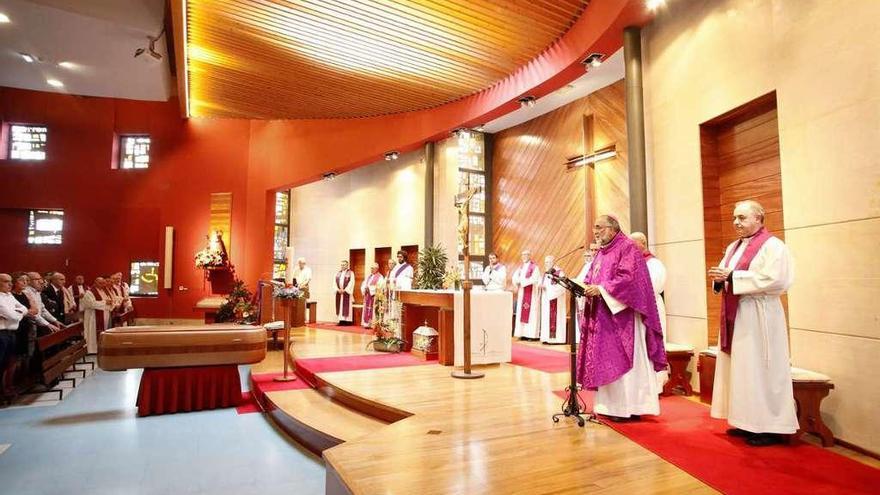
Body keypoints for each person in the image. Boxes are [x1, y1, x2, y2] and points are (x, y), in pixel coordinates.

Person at [708, 200, 798, 447]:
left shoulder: (774, 247)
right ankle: (746, 421)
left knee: (761, 369)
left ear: (759, 219)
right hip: (737, 314)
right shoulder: (733, 246)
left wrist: (733, 277)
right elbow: (727, 274)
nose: (736, 222)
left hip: (760, 316)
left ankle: (769, 426)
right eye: (734, 218)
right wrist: (719, 279)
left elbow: (777, 280)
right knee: (743, 369)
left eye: (742, 218)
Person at [577, 215, 667, 422]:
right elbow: (592, 276)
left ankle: (629, 407)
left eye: (599, 227)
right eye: (594, 228)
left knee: (624, 359)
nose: (596, 232)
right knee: (606, 358)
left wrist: (601, 290)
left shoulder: (627, 248)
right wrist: (584, 286)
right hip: (604, 313)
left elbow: (629, 280)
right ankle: (611, 406)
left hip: (624, 318)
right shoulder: (602, 252)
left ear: (612, 228)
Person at [630, 232, 669, 388]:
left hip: (651, 308)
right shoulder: (633, 263)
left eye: (633, 245)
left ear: (642, 243)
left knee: (652, 344)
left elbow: (653, 286)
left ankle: (656, 385)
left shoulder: (654, 264)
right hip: (635, 310)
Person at [0, 273, 28, 389]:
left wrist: (18, 313)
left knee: (8, 363)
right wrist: (19, 313)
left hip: (11, 334)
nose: (10, 284)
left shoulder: (9, 295)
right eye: (6, 281)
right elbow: (13, 316)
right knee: (1, 364)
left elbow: (24, 308)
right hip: (1, 335)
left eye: (11, 281)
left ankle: (5, 389)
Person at [512, 250, 541, 340]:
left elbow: (535, 279)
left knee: (531, 313)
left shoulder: (534, 267)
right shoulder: (521, 267)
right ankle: (522, 334)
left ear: (529, 256)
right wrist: (516, 281)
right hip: (522, 293)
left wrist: (522, 282)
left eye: (526, 255)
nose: (524, 256)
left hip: (531, 293)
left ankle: (531, 335)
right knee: (521, 312)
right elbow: (515, 276)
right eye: (523, 255)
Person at [81, 277, 115, 354]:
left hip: (104, 315)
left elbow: (109, 301)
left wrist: (110, 303)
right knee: (93, 333)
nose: (102, 285)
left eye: (103, 283)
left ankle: (101, 347)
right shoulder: (89, 292)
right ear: (95, 282)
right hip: (93, 317)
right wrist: (105, 302)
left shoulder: (104, 291)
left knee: (103, 331)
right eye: (100, 283)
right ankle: (92, 350)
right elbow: (91, 304)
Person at [573, 245, 599, 344]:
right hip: (585, 297)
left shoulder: (599, 263)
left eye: (595, 250)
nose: (593, 252)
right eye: (591, 250)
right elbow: (581, 280)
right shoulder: (587, 265)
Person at [539, 255, 567, 344]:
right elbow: (542, 283)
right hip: (546, 299)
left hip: (555, 300)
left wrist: (547, 288)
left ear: (553, 262)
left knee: (554, 317)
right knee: (546, 317)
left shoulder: (559, 273)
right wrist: (541, 285)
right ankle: (546, 338)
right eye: (545, 262)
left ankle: (555, 339)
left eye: (548, 262)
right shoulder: (546, 272)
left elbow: (562, 287)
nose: (546, 264)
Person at [360, 263, 384, 328]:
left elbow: (380, 286)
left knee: (373, 309)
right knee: (367, 309)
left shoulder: (380, 277)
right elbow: (364, 284)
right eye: (371, 268)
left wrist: (370, 289)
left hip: (374, 297)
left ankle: (373, 324)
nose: (372, 269)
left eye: (373, 268)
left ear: (377, 269)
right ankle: (367, 323)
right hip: (367, 295)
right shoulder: (369, 276)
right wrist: (365, 288)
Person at [334, 260, 355, 325]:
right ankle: (341, 320)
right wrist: (337, 289)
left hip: (346, 293)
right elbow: (334, 283)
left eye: (344, 265)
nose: (342, 266)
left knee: (346, 306)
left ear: (347, 265)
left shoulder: (351, 273)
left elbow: (352, 282)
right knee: (340, 306)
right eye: (342, 265)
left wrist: (345, 290)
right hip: (339, 293)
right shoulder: (337, 273)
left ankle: (347, 321)